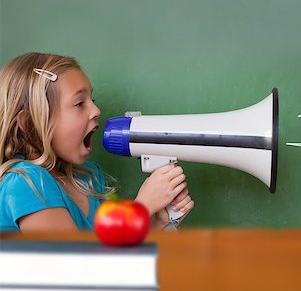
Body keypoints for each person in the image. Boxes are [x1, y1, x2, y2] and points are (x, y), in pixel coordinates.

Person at [0, 52, 194, 232]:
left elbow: (118, 256)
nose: (96, 110)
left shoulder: (89, 178)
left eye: (92, 99)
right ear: (30, 122)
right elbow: (76, 265)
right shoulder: (26, 183)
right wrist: (141, 208)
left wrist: (157, 223)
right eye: (79, 104)